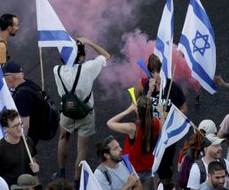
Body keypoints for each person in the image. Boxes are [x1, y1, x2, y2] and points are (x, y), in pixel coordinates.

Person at [54, 38, 111, 180]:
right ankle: (77, 180)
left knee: (63, 138)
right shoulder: (88, 68)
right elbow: (106, 55)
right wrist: (88, 42)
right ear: (80, 55)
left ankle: (61, 173)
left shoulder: (57, 70)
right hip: (86, 113)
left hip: (66, 111)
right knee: (82, 148)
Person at [106, 97, 161, 185]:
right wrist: (161, 112)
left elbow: (109, 123)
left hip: (133, 171)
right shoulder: (156, 122)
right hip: (149, 168)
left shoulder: (133, 128)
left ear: (137, 111)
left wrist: (128, 110)